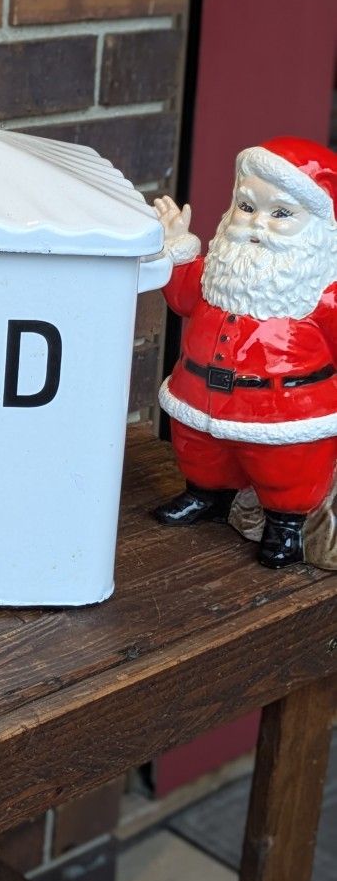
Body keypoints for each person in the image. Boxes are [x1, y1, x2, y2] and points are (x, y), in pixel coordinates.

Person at [153, 136, 337, 568]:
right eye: (248, 206)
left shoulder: (322, 291)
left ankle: (285, 524)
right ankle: (206, 496)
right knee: (201, 452)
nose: (257, 223)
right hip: (201, 396)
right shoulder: (220, 267)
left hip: (287, 410)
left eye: (281, 214)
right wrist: (178, 247)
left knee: (287, 472)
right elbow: (184, 299)